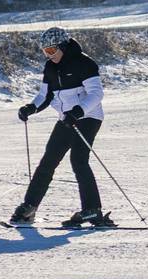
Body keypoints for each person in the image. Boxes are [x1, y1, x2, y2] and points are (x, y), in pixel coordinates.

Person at [10, 30, 110, 226]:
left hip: (88, 117)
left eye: (51, 50)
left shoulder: (84, 63)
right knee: (48, 161)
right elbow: (44, 96)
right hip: (66, 119)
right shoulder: (50, 67)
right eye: (44, 51)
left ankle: (92, 210)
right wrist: (30, 108)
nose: (48, 55)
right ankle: (29, 207)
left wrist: (78, 112)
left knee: (78, 160)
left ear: (62, 46)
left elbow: (96, 94)